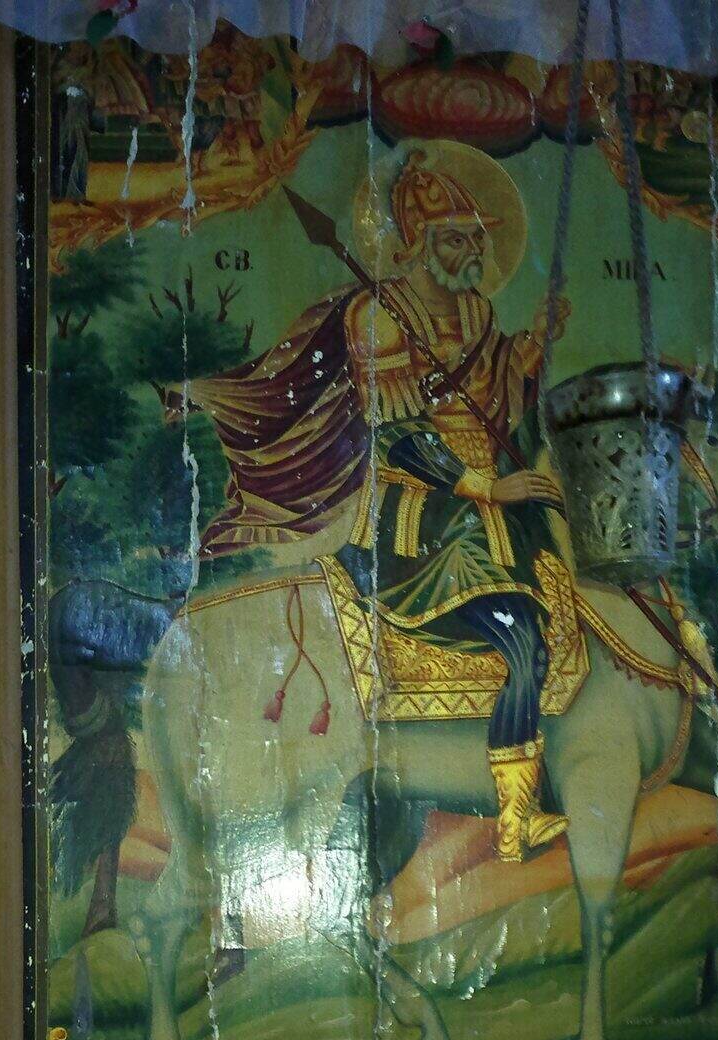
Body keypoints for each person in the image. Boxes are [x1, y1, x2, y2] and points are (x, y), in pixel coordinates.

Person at [179, 144, 573, 863]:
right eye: (456, 240)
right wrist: (484, 485)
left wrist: (528, 354)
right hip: (417, 513)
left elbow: (493, 411)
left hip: (490, 501)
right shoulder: (379, 317)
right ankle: (518, 817)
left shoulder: (477, 312)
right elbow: (394, 434)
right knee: (522, 634)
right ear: (417, 242)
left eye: (477, 240)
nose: (474, 254)